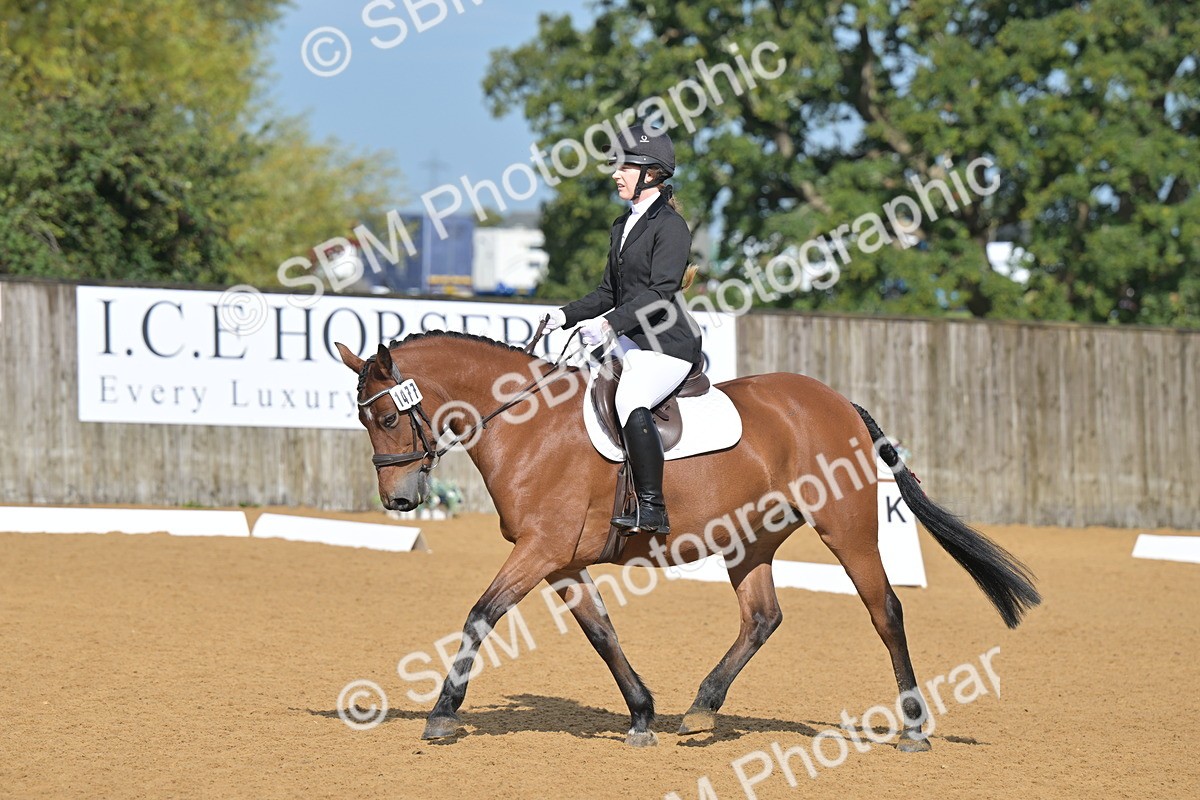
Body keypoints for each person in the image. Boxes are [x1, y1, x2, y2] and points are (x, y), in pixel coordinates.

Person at [543, 124, 702, 535]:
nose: (616, 173)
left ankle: (653, 506)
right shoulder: (622, 225)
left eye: (625, 165)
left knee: (630, 396)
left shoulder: (670, 227)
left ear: (651, 173)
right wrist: (565, 315)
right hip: (632, 340)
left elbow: (661, 291)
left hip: (667, 345)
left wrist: (611, 324)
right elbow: (608, 291)